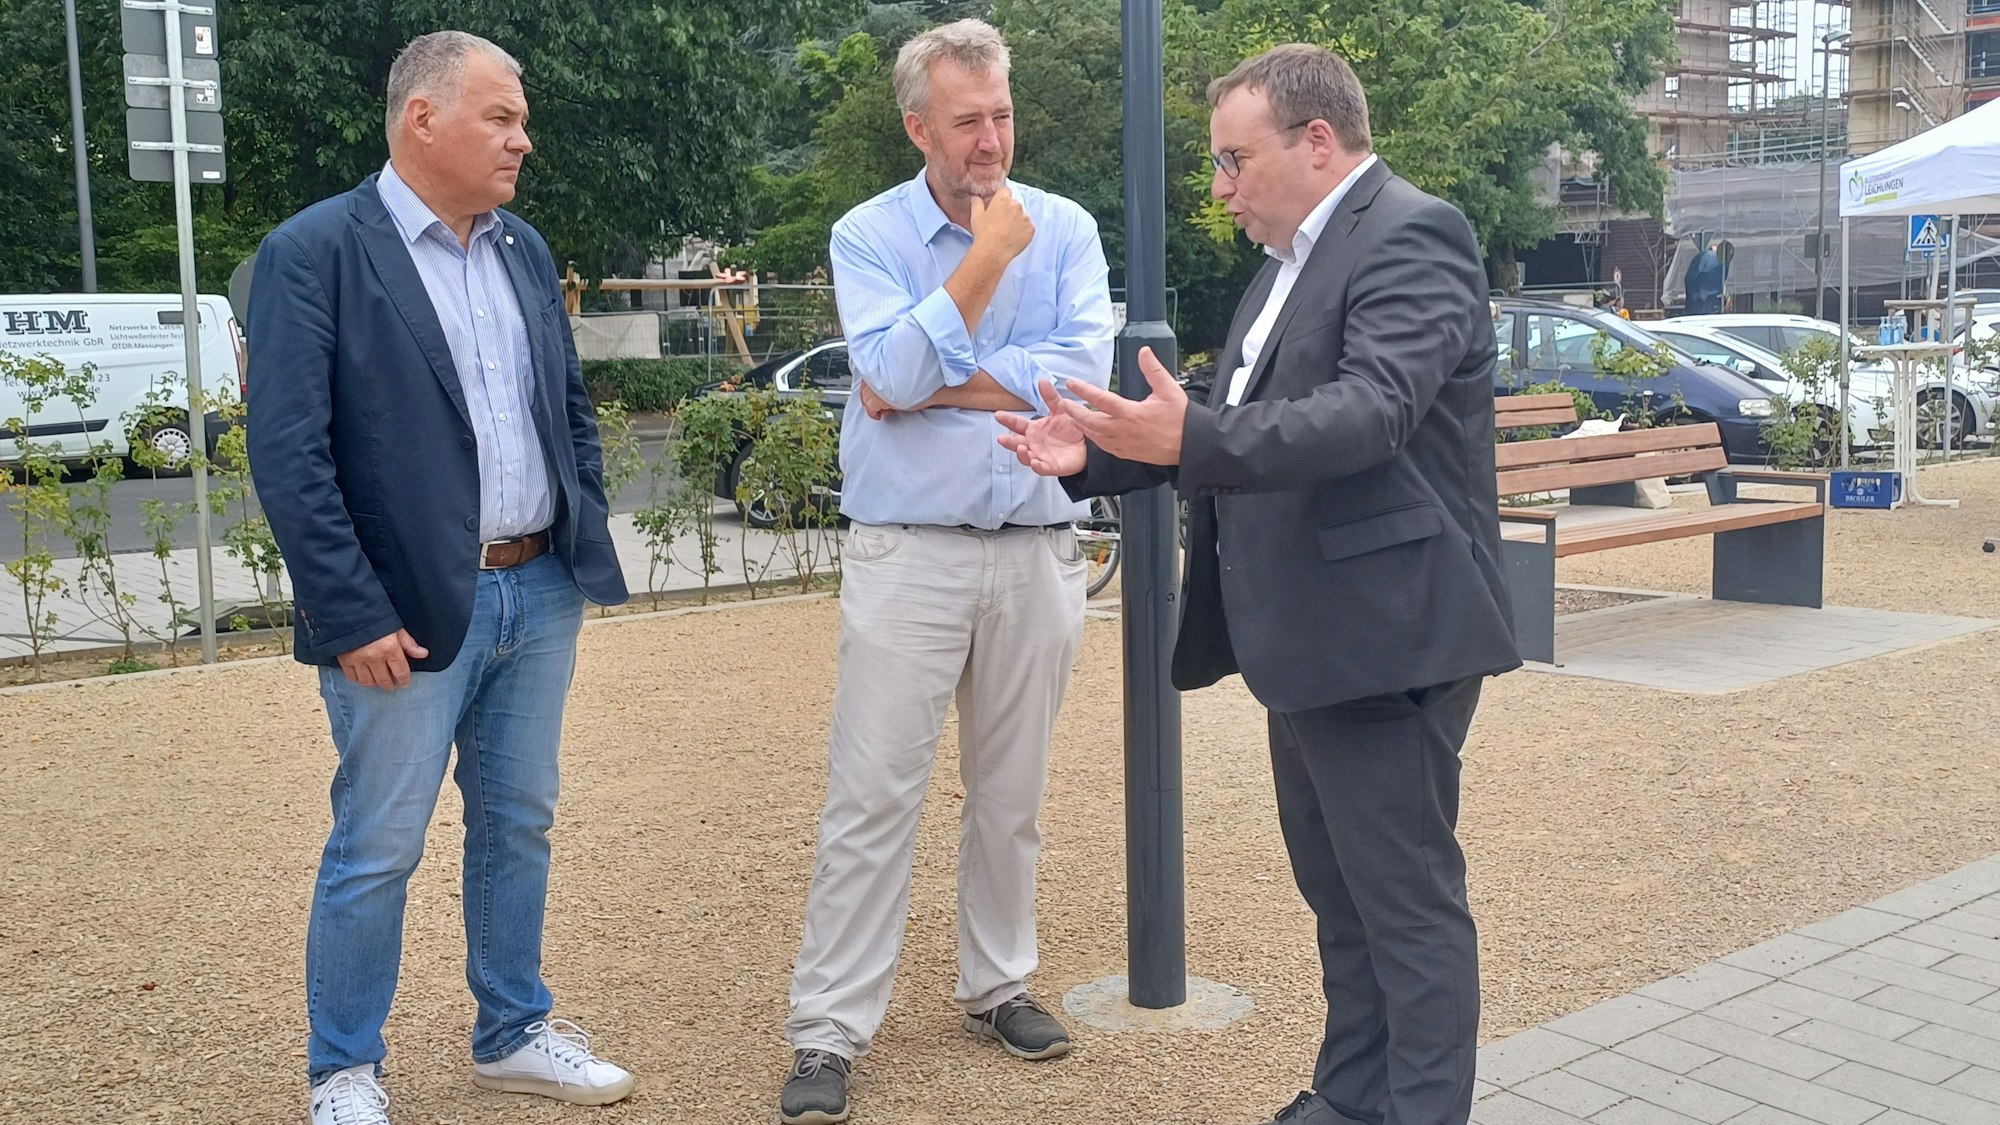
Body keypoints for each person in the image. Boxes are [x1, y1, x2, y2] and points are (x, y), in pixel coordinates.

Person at [997, 44, 1519, 1125]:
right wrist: (1095, 454)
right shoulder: (1287, 265)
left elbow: (1367, 413)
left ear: (1315, 142)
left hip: (1388, 636)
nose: (1221, 188)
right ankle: (1349, 1096)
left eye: (1235, 161)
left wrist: (1188, 432)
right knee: (1341, 897)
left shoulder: (1412, 234)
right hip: (1311, 639)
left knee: (1406, 910)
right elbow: (1226, 427)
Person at [246, 30, 634, 1125]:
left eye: (519, 119)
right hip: (397, 617)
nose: (523, 138)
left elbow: (564, 412)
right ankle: (344, 1069)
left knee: (517, 822)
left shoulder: (519, 249)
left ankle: (511, 1031)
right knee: (378, 843)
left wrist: (575, 538)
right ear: (423, 118)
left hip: (535, 590)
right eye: (501, 117)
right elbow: (290, 453)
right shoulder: (313, 251)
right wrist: (347, 608)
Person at [776, 18, 1115, 1125]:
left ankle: (997, 985)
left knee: (1009, 800)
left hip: (1033, 551)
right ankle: (827, 1033)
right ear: (917, 125)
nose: (990, 140)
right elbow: (881, 373)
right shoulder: (868, 233)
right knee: (870, 799)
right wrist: (985, 260)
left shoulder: (1066, 226)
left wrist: (939, 375)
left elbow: (1078, 383)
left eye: (1001, 115)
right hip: (907, 553)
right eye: (966, 120)